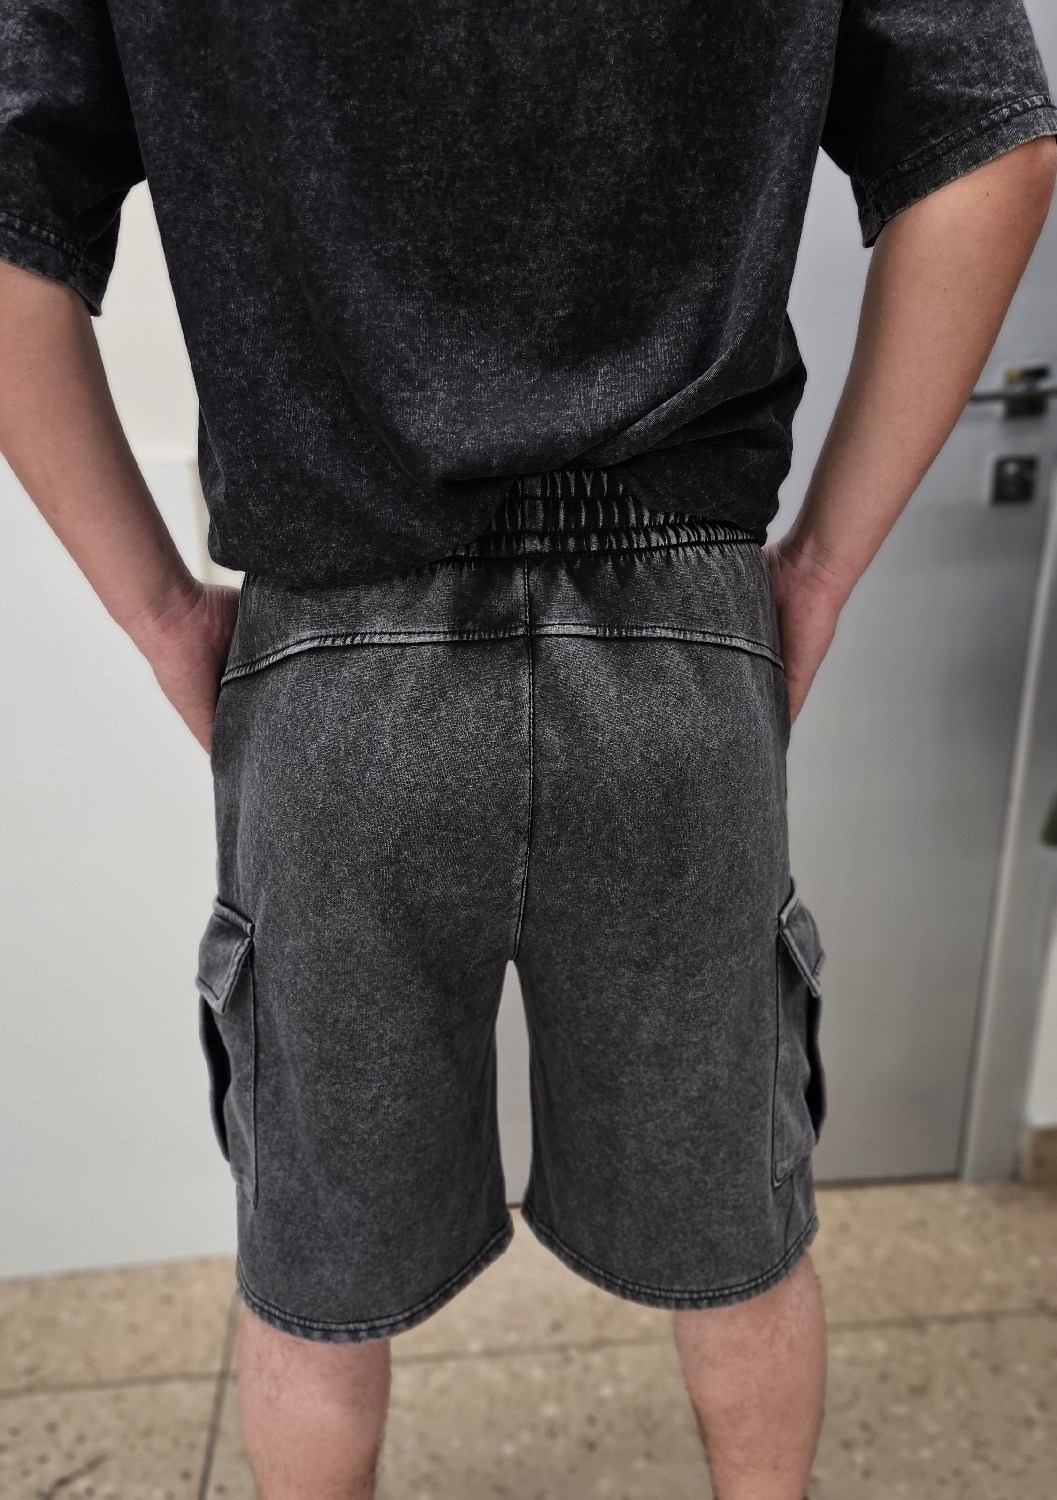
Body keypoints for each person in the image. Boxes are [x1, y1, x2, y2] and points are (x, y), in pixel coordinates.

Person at [1, 2, 1055, 1496]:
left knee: (314, 1269)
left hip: (336, 650)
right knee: (741, 1233)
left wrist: (164, 611)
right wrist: (817, 569)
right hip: (679, 630)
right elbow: (994, 151)